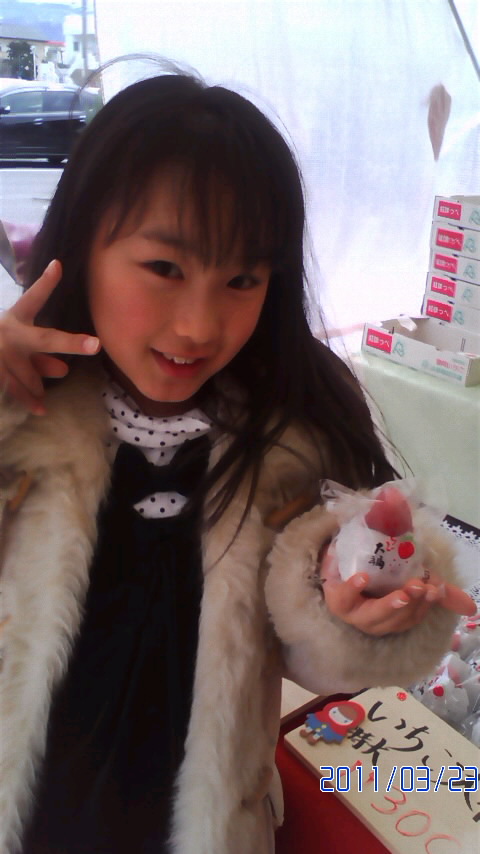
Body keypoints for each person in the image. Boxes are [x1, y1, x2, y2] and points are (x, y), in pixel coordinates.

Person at [0, 68, 474, 854]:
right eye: (165, 268)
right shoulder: (24, 414)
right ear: (82, 243)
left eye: (242, 279)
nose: (198, 325)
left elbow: (308, 665)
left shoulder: (293, 440)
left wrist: (354, 609)